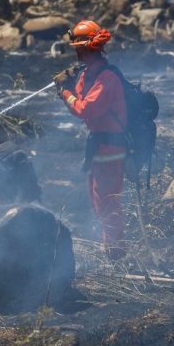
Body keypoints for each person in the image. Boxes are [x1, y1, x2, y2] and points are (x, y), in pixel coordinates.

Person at [54, 20, 128, 260]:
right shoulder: (89, 73)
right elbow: (79, 101)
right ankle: (111, 249)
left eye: (77, 48)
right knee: (98, 199)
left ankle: (115, 253)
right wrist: (68, 82)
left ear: (83, 49)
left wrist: (65, 92)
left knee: (108, 202)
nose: (76, 53)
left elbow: (85, 109)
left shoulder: (107, 78)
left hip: (110, 148)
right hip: (100, 145)